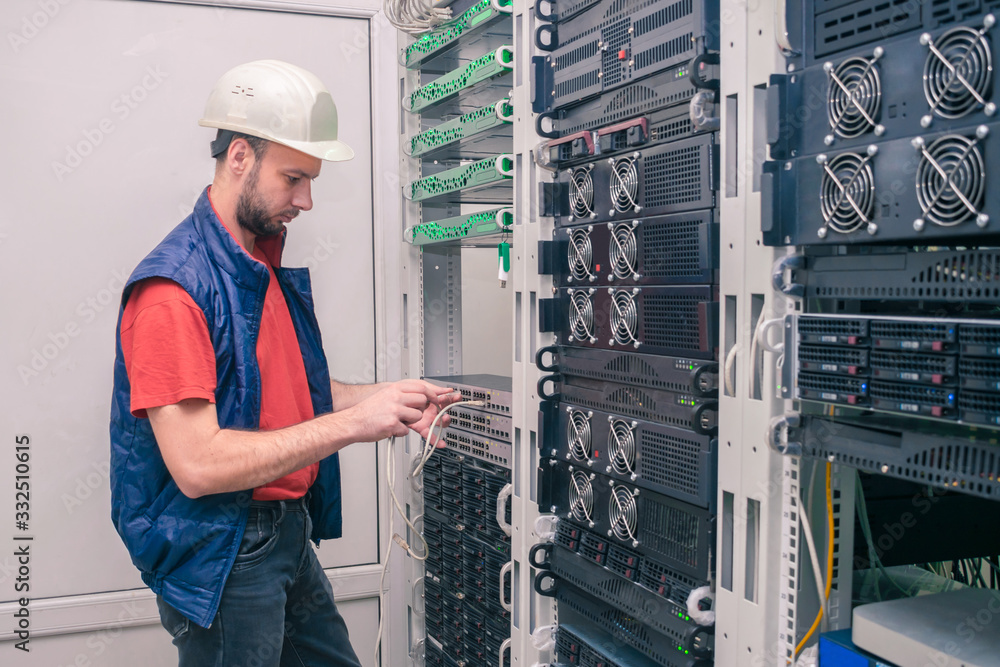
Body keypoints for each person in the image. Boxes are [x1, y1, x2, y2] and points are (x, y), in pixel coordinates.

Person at [109, 60, 457, 666]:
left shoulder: (255, 265)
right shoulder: (173, 291)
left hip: (283, 534)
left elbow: (289, 393)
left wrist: (387, 400)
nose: (307, 200)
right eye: (293, 178)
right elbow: (197, 464)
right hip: (223, 549)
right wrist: (355, 425)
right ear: (239, 156)